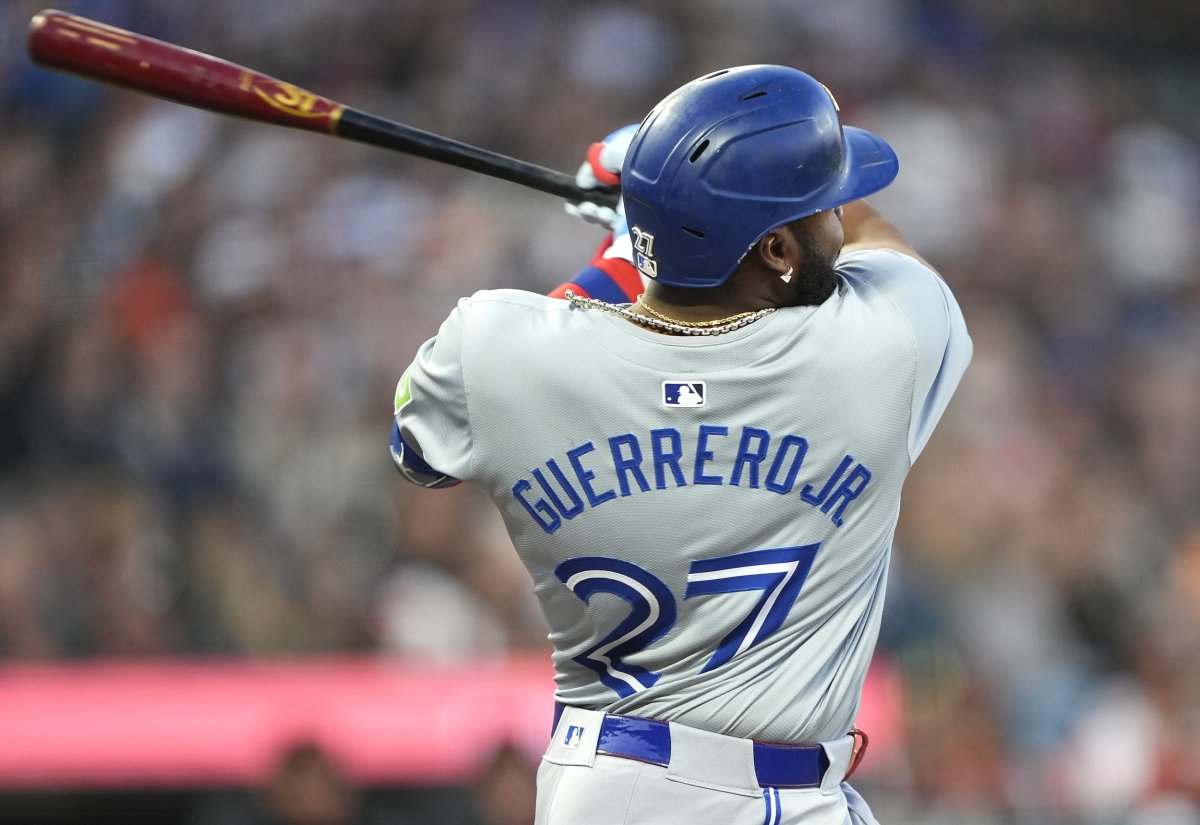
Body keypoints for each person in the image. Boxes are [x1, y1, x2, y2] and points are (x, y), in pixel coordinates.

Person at [390, 65, 972, 824]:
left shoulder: (497, 347)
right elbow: (874, 238)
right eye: (817, 206)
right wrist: (648, 197)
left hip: (611, 789)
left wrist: (625, 251)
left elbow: (418, 453)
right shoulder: (879, 347)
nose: (836, 213)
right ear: (775, 250)